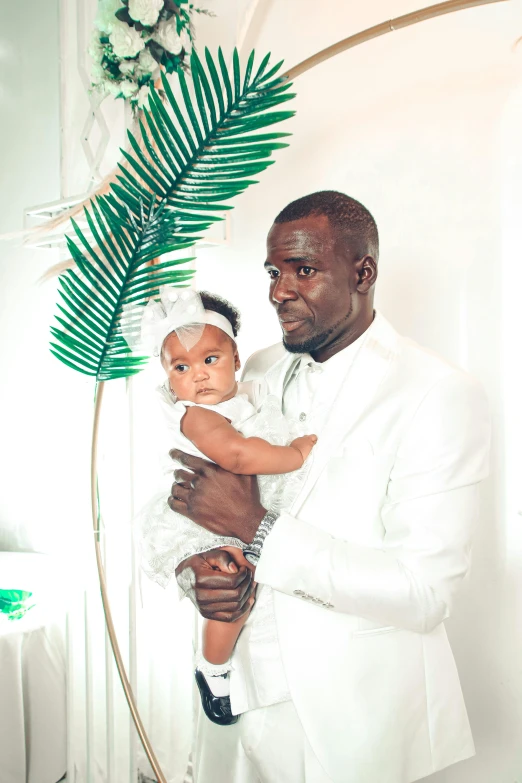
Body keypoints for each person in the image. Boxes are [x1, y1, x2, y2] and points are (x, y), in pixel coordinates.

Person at [168, 190, 491, 783]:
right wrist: (198, 576)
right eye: (272, 271)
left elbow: (425, 592)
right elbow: (189, 501)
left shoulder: (437, 393)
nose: (277, 291)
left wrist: (253, 528)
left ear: (363, 272)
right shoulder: (248, 369)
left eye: (304, 270)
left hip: (354, 719)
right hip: (240, 700)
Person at [135, 287, 316, 726]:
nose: (197, 376)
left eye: (209, 360)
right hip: (201, 522)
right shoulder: (196, 414)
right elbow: (236, 456)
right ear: (167, 378)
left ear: (236, 359)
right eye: (182, 367)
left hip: (239, 507)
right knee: (231, 581)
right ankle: (212, 668)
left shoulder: (251, 393)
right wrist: (294, 454)